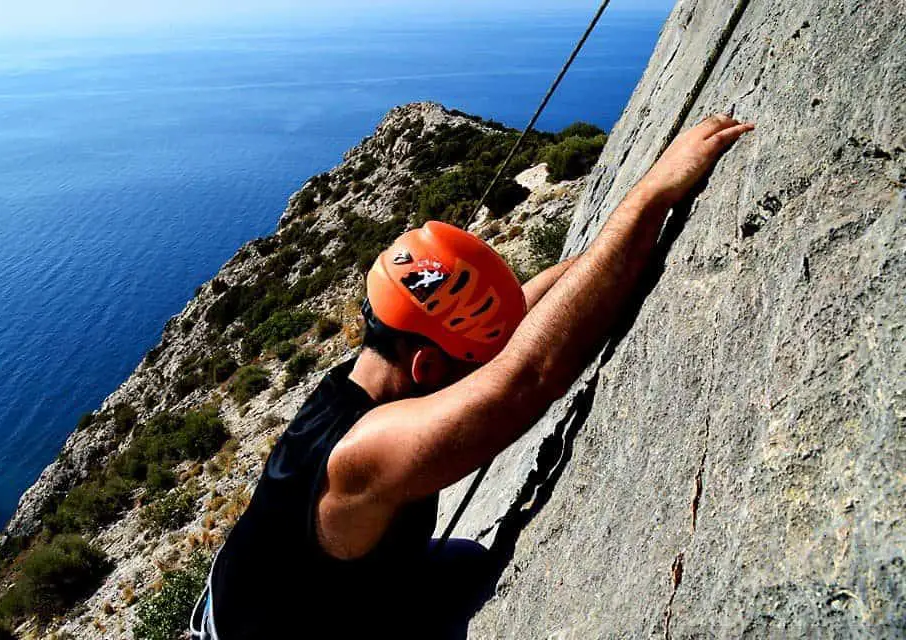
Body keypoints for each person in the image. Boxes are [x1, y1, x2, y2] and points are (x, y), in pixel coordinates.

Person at [189, 114, 755, 639]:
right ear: (428, 365)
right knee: (465, 576)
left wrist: (609, 247)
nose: (484, 358)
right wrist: (648, 196)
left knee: (464, 563)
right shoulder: (367, 452)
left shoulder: (372, 370)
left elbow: (520, 325)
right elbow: (526, 372)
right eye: (469, 358)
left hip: (271, 594)